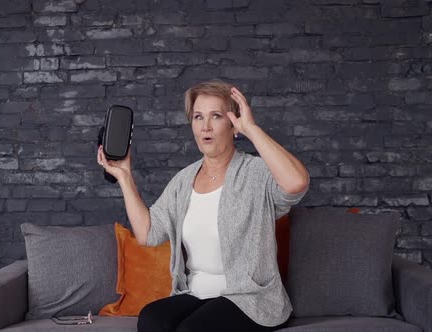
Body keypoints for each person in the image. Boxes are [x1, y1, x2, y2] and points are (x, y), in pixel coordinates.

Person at [97, 80, 310, 331]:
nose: (205, 127)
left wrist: (251, 129)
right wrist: (125, 176)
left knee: (193, 330)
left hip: (248, 299)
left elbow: (297, 183)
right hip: (196, 295)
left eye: (216, 116)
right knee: (152, 319)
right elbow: (147, 233)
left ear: (233, 125)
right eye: (198, 117)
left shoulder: (256, 172)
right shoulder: (183, 180)